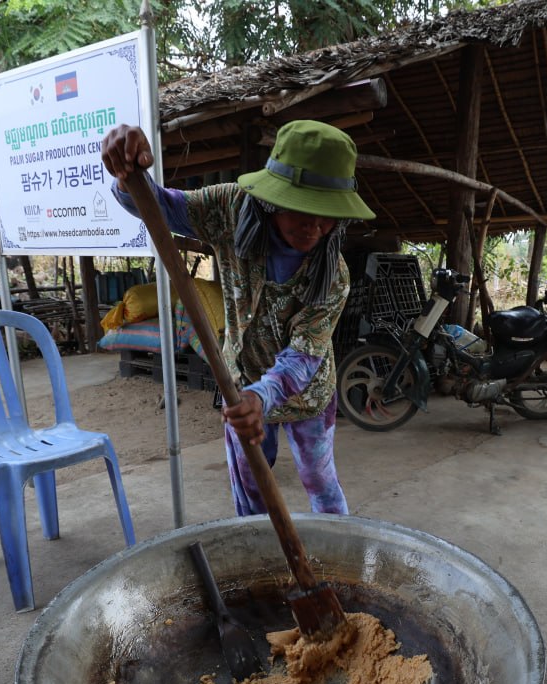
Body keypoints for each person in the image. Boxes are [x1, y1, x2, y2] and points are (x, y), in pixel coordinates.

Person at [101, 119, 375, 517]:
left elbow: (305, 354)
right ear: (273, 199)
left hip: (307, 394)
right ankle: (257, 567)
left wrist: (261, 398)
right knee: (251, 494)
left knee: (321, 484)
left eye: (328, 214)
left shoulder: (334, 274)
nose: (315, 226)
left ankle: (335, 562)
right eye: (304, 209)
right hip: (239, 384)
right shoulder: (231, 210)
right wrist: (128, 176)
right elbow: (156, 208)